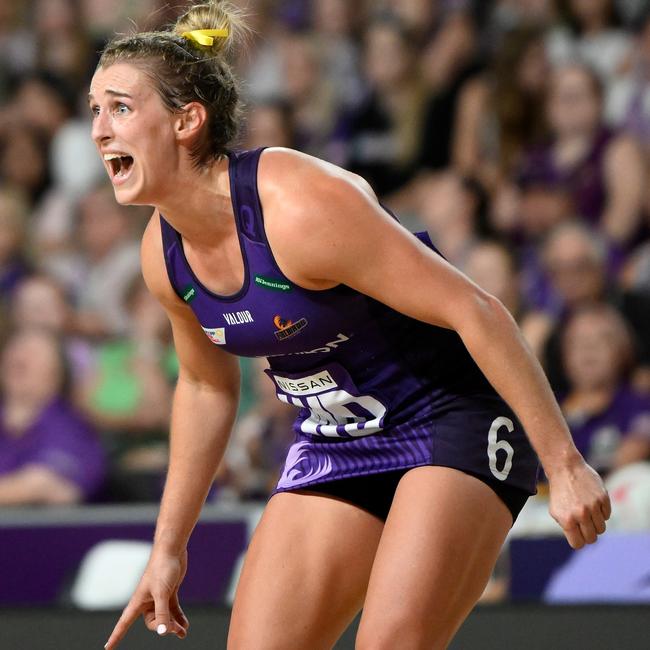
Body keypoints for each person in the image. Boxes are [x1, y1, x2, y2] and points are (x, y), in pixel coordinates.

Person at [94, 3, 610, 649]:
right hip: (338, 437)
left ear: (187, 121)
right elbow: (205, 389)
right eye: (94, 111)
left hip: (450, 412)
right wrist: (167, 548)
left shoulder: (297, 205)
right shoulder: (160, 255)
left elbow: (474, 308)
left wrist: (564, 465)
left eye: (118, 108)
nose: (99, 131)